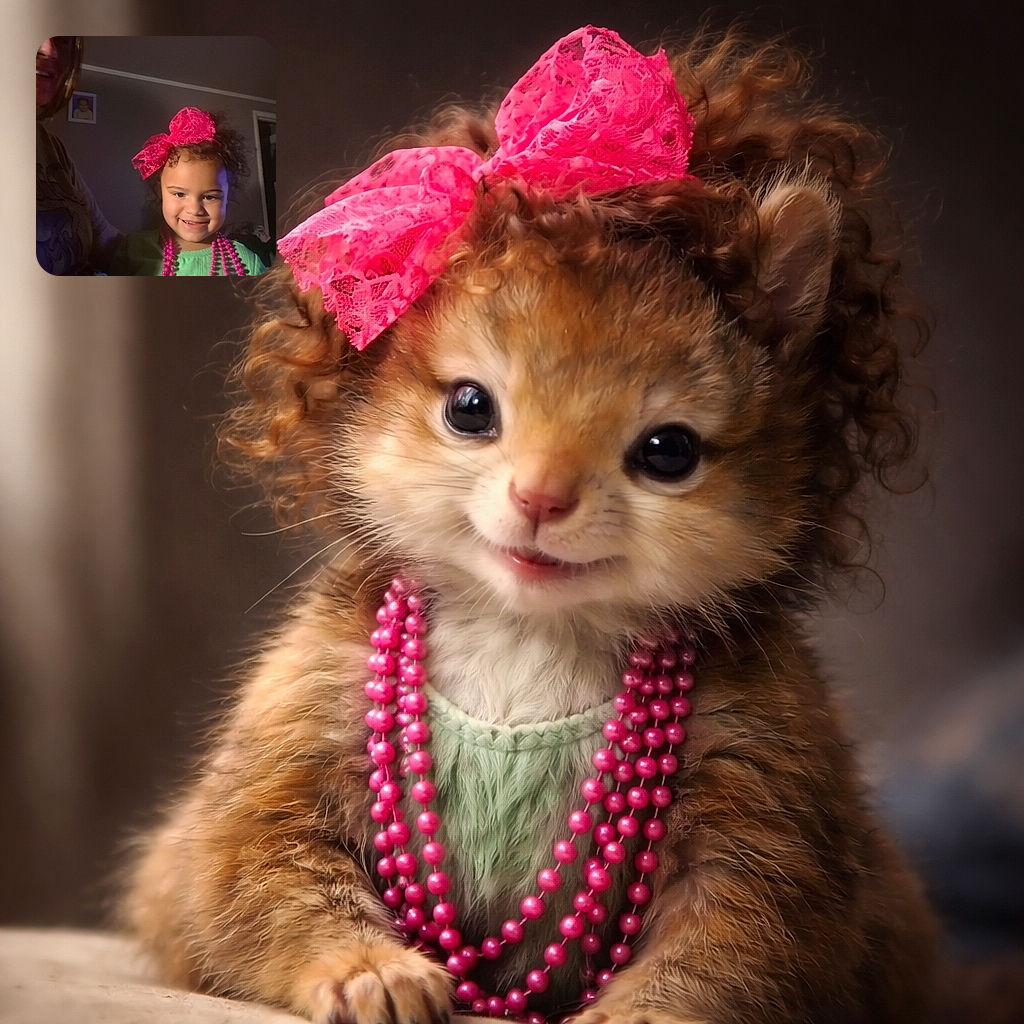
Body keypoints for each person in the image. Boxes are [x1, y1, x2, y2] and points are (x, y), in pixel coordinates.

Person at [114, 107, 267, 276]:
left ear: (227, 196)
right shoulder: (133, 249)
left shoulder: (247, 262)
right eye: (179, 194)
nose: (194, 209)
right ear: (160, 191)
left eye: (210, 197)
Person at [36, 37, 121, 275]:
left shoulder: (54, 148)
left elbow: (106, 240)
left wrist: (178, 253)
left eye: (62, 39)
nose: (49, 50)